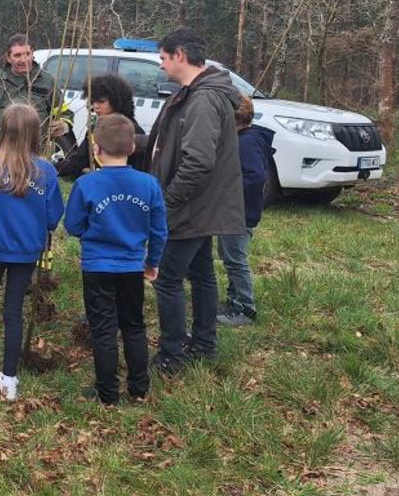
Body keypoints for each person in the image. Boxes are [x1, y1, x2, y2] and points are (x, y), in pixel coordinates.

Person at [145, 28, 245, 375]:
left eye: (163, 58)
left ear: (180, 55)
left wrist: (168, 201)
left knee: (167, 278)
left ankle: (172, 355)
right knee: (201, 274)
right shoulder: (196, 93)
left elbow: (198, 161)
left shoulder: (203, 99)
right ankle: (204, 344)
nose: (161, 65)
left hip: (191, 207)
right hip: (202, 206)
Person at [0, 103, 64, 401]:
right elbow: (53, 217)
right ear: (35, 134)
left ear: (4, 131)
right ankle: (8, 378)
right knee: (13, 312)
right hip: (26, 252)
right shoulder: (46, 171)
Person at [64, 114, 167, 405]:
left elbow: (72, 225)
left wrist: (91, 231)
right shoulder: (149, 184)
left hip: (97, 267)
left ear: (96, 149)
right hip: (133, 267)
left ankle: (108, 393)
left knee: (103, 329)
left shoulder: (86, 184)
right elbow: (159, 231)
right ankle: (139, 388)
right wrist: (152, 261)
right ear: (132, 148)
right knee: (134, 325)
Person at [217, 95, 275, 327]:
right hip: (235, 211)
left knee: (235, 259)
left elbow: (255, 176)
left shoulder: (247, 143)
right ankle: (233, 302)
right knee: (229, 255)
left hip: (239, 213)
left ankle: (246, 308)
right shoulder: (244, 139)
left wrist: (225, 189)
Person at [0, 33, 72, 156]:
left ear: (32, 54)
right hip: (0, 156)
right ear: (8, 58)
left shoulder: (47, 81)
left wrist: (63, 125)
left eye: (27, 54)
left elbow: (65, 114)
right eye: (17, 55)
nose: (23, 60)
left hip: (34, 156)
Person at [58, 72, 148, 178]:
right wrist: (48, 168)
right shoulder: (95, 129)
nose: (95, 106)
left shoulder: (132, 130)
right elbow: (77, 162)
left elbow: (140, 170)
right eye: (93, 101)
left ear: (116, 100)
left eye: (101, 101)